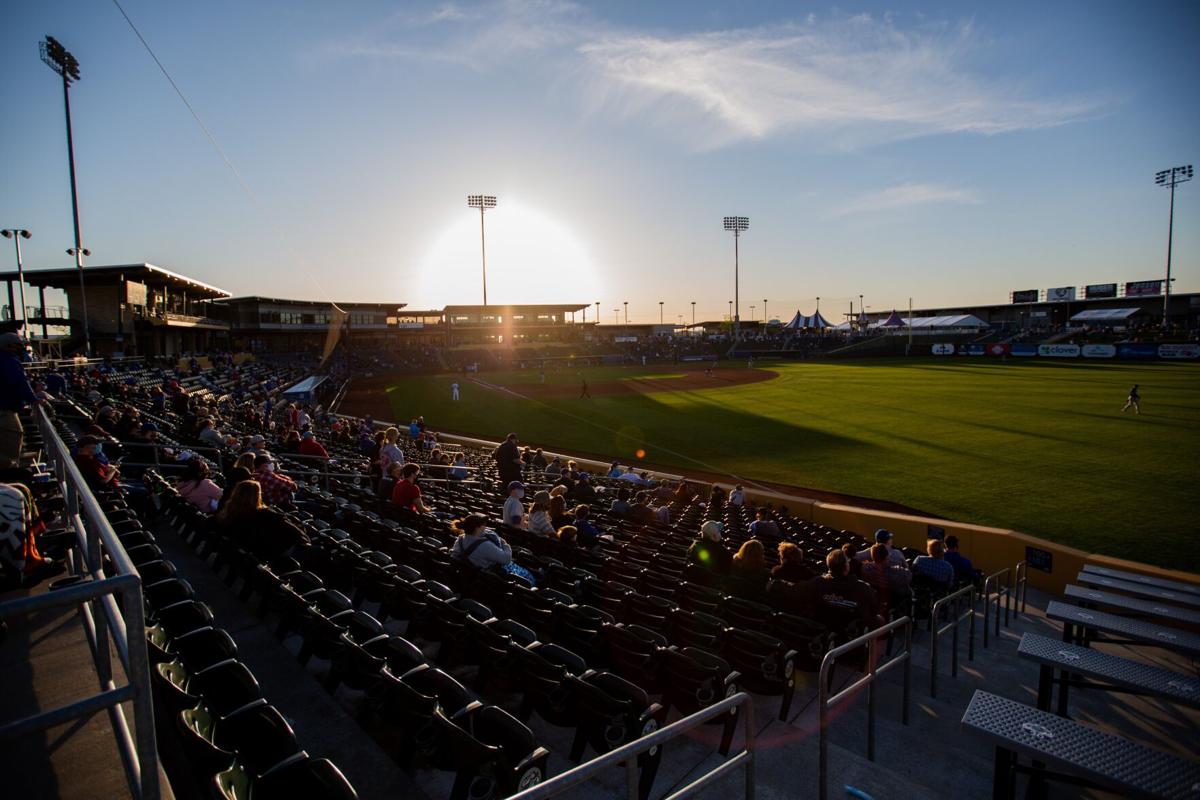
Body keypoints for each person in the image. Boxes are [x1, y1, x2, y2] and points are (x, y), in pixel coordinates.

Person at [215, 480, 309, 562]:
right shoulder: (264, 514)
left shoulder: (228, 513)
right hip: (274, 552)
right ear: (257, 496)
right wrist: (305, 539)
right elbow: (297, 534)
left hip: (256, 552)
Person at [0, 333, 43, 468]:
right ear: (9, 346)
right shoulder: (8, 361)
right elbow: (19, 383)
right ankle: (10, 478)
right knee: (10, 446)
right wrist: (34, 399)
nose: (21, 349)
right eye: (18, 345)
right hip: (4, 412)